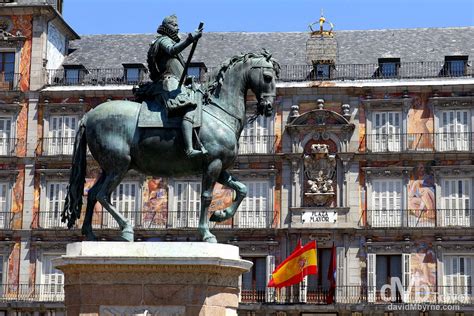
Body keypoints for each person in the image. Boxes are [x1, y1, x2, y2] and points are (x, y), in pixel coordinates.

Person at [147, 14, 205, 158]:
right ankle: (189, 149)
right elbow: (173, 50)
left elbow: (176, 67)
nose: (177, 27)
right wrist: (190, 39)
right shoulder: (163, 41)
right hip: (169, 82)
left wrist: (186, 78)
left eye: (177, 25)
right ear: (167, 27)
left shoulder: (167, 41)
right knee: (188, 108)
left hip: (177, 81)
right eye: (174, 25)